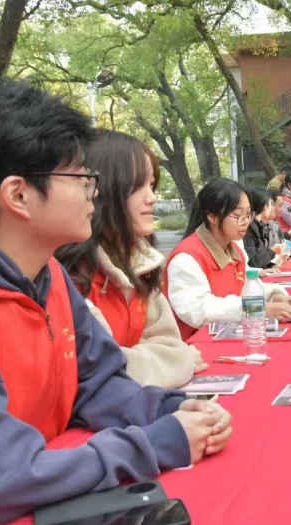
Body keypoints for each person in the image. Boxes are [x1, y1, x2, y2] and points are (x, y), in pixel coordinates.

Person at [0, 78, 232, 525]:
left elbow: (94, 383)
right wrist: (151, 445)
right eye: (80, 177)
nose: (93, 190)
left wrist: (167, 410)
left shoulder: (46, 274)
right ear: (18, 194)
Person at [56, 130, 206, 389]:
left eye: (152, 184)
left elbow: (167, 343)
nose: (152, 197)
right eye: (138, 185)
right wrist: (177, 362)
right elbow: (106, 371)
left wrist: (168, 359)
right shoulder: (69, 275)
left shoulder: (141, 262)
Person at [165, 179, 291, 340]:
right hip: (196, 347)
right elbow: (197, 310)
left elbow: (247, 287)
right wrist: (260, 307)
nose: (246, 222)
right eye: (238, 216)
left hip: (228, 337)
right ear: (213, 216)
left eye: (248, 215)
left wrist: (273, 297)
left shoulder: (234, 248)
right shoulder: (186, 258)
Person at [243, 187, 284, 269]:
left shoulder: (260, 227)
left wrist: (272, 266)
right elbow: (252, 263)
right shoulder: (249, 229)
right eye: (272, 204)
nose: (274, 208)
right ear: (265, 206)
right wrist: (272, 251)